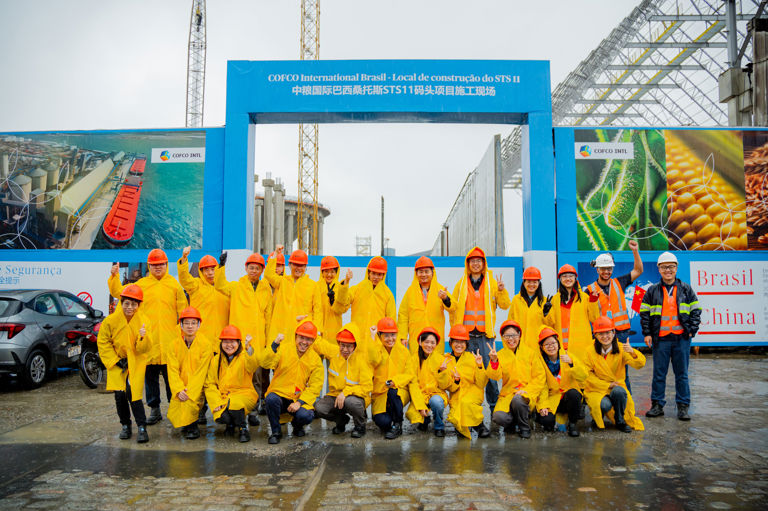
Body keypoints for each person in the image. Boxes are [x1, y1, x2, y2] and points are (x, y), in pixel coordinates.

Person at [108, 249, 187, 425]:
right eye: (154, 265)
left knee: (171, 379)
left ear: (166, 265)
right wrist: (114, 277)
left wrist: (183, 334)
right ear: (149, 266)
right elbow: (119, 293)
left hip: (169, 340)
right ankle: (155, 410)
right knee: (150, 378)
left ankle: (175, 410)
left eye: (161, 264)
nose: (158, 267)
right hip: (147, 340)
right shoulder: (141, 285)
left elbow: (183, 311)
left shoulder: (174, 285)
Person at [640, 251, 701, 421]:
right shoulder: (652, 291)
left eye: (671, 267)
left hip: (681, 338)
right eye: (664, 267)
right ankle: (657, 405)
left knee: (682, 374)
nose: (668, 270)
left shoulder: (686, 289)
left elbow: (696, 310)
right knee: (659, 374)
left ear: (676, 268)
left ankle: (682, 407)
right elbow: (644, 313)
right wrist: (647, 333)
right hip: (661, 339)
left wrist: (691, 330)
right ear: (659, 269)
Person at [214, 251, 272, 426]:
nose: (254, 271)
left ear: (262, 270)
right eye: (251, 267)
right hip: (237, 341)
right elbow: (219, 284)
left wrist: (268, 340)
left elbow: (268, 316)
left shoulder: (265, 289)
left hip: (257, 340)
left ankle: (253, 411)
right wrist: (220, 267)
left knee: (256, 378)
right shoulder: (236, 286)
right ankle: (234, 408)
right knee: (238, 376)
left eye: (257, 268)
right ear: (246, 268)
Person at [449, 246, 510, 414]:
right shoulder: (461, 284)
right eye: (472, 261)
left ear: (484, 263)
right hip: (465, 338)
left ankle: (494, 409)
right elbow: (453, 307)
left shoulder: (492, 283)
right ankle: (465, 408)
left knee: (490, 375)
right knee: (467, 374)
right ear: (467, 263)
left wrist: (502, 290)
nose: (476, 264)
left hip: (485, 337)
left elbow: (505, 305)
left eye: (479, 261)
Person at [585, 240, 643, 391]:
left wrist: (635, 251)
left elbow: (638, 270)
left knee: (623, 372)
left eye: (609, 268)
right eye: (603, 269)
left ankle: (624, 405)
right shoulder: (589, 290)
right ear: (597, 269)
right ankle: (603, 402)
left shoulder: (620, 282)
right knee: (600, 371)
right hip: (601, 336)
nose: (606, 272)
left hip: (621, 334)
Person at [97, 284, 151, 443]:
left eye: (134, 304)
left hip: (135, 361)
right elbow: (103, 342)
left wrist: (143, 337)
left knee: (134, 394)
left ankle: (142, 427)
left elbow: (146, 348)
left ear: (139, 305)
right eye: (126, 303)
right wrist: (114, 360)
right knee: (119, 395)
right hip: (117, 362)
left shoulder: (144, 321)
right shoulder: (111, 321)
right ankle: (125, 426)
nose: (130, 307)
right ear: (121, 302)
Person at [261, 320, 324, 444]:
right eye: (301, 337)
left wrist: (299, 403)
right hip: (280, 394)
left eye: (309, 339)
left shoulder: (315, 360)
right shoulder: (283, 349)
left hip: (298, 398)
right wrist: (274, 345)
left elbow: (315, 386)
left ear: (313, 341)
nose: (304, 342)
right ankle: (276, 432)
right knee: (271, 399)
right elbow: (264, 363)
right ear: (295, 336)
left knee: (306, 415)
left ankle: (297, 425)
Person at [582, 317, 646, 433]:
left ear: (613, 333)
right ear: (595, 335)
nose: (605, 336)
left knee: (620, 391)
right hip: (596, 388)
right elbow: (587, 376)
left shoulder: (622, 349)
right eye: (600, 333)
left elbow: (639, 365)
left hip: (616, 387)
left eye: (608, 332)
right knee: (604, 405)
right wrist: (607, 385)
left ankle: (620, 419)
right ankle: (598, 416)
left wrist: (632, 352)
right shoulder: (589, 351)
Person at [312, 323, 373, 438]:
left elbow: (367, 387)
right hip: (335, 396)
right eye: (342, 345)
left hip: (356, 397)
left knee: (351, 403)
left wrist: (346, 393)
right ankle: (341, 421)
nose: (345, 349)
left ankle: (360, 426)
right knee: (319, 408)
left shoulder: (362, 360)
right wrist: (304, 322)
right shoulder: (334, 352)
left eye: (349, 346)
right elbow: (318, 342)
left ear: (355, 345)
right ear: (338, 343)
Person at [488, 321, 545, 439]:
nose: (511, 339)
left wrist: (527, 391)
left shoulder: (530, 353)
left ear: (519, 335)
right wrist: (494, 361)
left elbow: (539, 377)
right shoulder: (500, 355)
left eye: (513, 335)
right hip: (508, 395)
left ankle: (524, 427)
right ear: (503, 338)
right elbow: (495, 376)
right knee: (498, 417)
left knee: (518, 400)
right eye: (507, 336)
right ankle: (513, 422)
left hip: (526, 395)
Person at [204, 325, 261, 442]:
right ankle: (230, 424)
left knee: (235, 404)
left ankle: (242, 428)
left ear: (239, 343)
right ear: (221, 343)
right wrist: (216, 402)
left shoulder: (245, 356)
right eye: (225, 342)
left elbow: (253, 365)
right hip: (224, 397)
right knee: (222, 417)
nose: (229, 345)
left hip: (245, 395)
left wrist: (249, 348)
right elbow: (210, 384)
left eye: (232, 342)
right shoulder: (216, 360)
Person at [369, 317, 420, 439]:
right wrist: (372, 338)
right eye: (386, 336)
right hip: (381, 393)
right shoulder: (377, 349)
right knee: (383, 423)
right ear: (380, 335)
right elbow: (373, 360)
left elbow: (409, 374)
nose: (390, 339)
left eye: (393, 335)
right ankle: (390, 421)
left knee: (393, 393)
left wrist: (395, 382)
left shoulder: (403, 351)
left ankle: (398, 424)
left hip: (400, 390)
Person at [167, 307, 213, 440]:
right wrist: (178, 389)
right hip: (181, 386)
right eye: (186, 323)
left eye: (193, 323)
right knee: (175, 411)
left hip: (197, 386)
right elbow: (172, 370)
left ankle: (193, 426)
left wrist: (189, 391)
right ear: (181, 325)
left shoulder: (205, 344)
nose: (190, 326)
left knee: (190, 402)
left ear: (199, 325)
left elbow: (201, 372)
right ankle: (186, 422)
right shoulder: (173, 345)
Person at [534, 327, 586, 437]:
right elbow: (541, 385)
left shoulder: (568, 356)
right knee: (547, 422)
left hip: (568, 397)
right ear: (542, 348)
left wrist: (572, 364)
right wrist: (543, 405)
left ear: (558, 344)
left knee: (574, 394)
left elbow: (583, 376)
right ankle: (541, 416)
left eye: (553, 343)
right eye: (546, 344)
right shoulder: (540, 361)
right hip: (552, 398)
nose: (551, 346)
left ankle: (572, 424)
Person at [397, 256, 455, 355]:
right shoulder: (410, 292)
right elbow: (403, 315)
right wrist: (402, 336)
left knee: (435, 365)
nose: (423, 274)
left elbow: (453, 308)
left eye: (426, 271)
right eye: (421, 272)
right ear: (416, 274)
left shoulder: (440, 290)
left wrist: (445, 298)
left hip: (435, 338)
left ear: (432, 272)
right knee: (416, 365)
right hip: (416, 338)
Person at [543, 264, 600, 362]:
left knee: (582, 374)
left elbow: (594, 318)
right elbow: (550, 324)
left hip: (581, 348)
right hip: (561, 348)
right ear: (560, 279)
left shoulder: (584, 298)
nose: (568, 279)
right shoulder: (555, 300)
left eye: (570, 276)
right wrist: (546, 312)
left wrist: (593, 301)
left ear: (575, 278)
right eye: (564, 276)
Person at [265, 245, 320, 343]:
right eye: (295, 264)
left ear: (305, 267)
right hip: (280, 332)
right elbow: (268, 274)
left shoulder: (313, 286)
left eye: (301, 265)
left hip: (300, 334)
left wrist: (317, 331)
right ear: (290, 265)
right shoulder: (282, 282)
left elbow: (318, 310)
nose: (298, 268)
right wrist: (276, 254)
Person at [444, 324, 490, 439]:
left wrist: (480, 366)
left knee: (466, 403)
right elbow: (446, 386)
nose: (459, 345)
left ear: (466, 344)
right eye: (456, 341)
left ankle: (479, 425)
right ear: (450, 343)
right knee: (457, 413)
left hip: (472, 391)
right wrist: (456, 381)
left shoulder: (472, 358)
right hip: (456, 393)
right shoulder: (446, 360)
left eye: (462, 342)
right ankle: (464, 425)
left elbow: (481, 383)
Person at [177, 246, 230, 344]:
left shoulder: (226, 289)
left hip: (222, 340)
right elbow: (184, 278)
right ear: (201, 272)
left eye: (213, 269)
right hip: (201, 340)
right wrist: (184, 259)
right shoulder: (195, 285)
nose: (210, 273)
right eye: (206, 270)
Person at [405, 327, 452, 437]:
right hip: (420, 394)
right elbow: (413, 384)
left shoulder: (441, 359)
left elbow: (445, 385)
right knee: (412, 414)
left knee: (436, 402)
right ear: (420, 342)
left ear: (436, 345)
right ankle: (425, 419)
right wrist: (421, 406)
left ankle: (439, 425)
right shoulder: (413, 360)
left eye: (432, 343)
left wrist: (442, 372)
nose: (429, 345)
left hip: (436, 394)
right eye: (426, 342)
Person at [346, 257, 396, 352]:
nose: (376, 277)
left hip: (377, 341)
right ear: (368, 272)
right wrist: (346, 283)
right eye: (373, 273)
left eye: (379, 274)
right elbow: (343, 302)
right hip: (357, 339)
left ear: (383, 275)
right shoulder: (357, 289)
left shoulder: (387, 294)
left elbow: (391, 319)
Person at [507, 266, 549, 352]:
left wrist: (546, 314)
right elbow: (510, 322)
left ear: (539, 283)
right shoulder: (516, 300)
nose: (531, 285)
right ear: (524, 283)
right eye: (529, 281)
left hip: (538, 346)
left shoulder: (544, 302)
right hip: (519, 345)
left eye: (535, 282)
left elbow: (550, 325)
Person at [313, 256, 351, 342]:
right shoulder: (315, 287)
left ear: (336, 273)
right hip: (317, 332)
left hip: (334, 332)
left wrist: (346, 282)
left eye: (332, 272)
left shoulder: (341, 287)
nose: (329, 275)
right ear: (322, 272)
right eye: (326, 271)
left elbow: (342, 309)